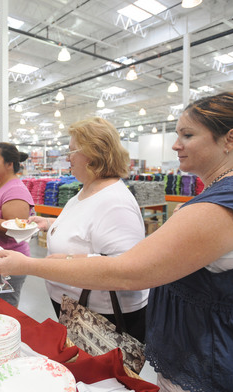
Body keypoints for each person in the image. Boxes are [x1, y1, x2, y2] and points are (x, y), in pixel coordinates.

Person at [0, 92, 233, 391]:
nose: (175, 145)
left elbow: (127, 271)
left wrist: (28, 264)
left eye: (187, 135)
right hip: (214, 351)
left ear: (231, 139)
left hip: (218, 362)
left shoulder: (226, 205)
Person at [29, 117, 148, 342]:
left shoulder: (115, 202)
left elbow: (126, 270)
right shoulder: (86, 190)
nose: (67, 157)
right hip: (76, 310)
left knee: (102, 376)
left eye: (73, 150)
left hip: (103, 320)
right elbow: (86, 228)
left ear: (93, 154)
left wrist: (35, 265)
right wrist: (50, 224)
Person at [0, 142, 34, 307]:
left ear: (10, 164)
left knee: (4, 310)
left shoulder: (15, 190)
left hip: (10, 263)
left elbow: (15, 229)